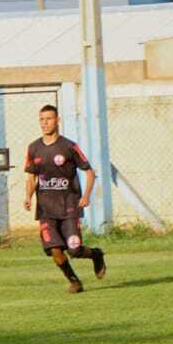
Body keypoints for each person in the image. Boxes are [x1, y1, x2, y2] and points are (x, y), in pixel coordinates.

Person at [23, 105, 106, 294]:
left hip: (69, 206)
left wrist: (85, 196)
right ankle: (74, 282)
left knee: (74, 249)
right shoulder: (33, 148)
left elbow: (90, 172)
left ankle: (96, 254)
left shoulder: (68, 146)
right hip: (46, 209)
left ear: (57, 120)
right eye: (41, 119)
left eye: (49, 119)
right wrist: (28, 197)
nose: (44, 123)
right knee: (55, 250)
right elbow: (31, 178)